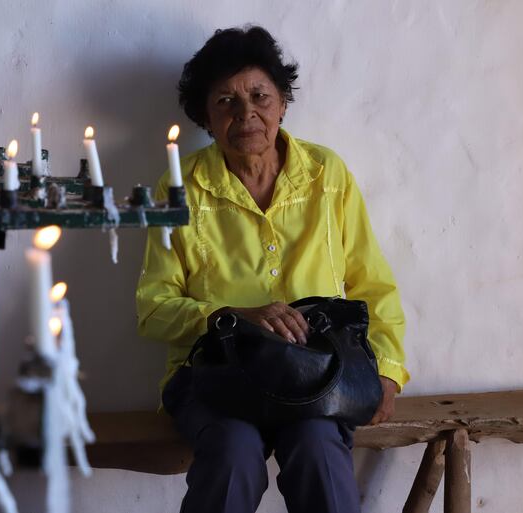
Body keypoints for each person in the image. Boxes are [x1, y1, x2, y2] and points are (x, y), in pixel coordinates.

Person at [136, 25, 408, 513]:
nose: (247, 115)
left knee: (319, 452)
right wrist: (232, 316)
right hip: (215, 374)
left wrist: (386, 370)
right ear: (206, 117)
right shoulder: (181, 188)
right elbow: (152, 307)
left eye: (260, 96)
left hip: (317, 373)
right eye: (226, 102)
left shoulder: (328, 175)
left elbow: (373, 283)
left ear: (283, 101)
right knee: (233, 455)